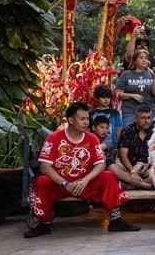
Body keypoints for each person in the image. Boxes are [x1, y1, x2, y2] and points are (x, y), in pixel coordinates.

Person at [24, 102, 140, 238]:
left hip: (83, 183)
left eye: (87, 119)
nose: (86, 122)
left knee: (108, 176)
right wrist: (64, 183)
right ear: (71, 120)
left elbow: (100, 164)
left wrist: (85, 180)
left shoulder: (92, 138)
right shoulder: (54, 138)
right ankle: (44, 224)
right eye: (82, 119)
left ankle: (116, 221)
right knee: (40, 182)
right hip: (59, 183)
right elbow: (44, 167)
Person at [108, 105, 155, 190]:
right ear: (136, 118)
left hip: (146, 168)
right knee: (112, 168)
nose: (147, 121)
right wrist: (132, 172)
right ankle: (144, 185)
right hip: (128, 167)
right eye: (143, 118)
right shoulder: (127, 131)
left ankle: (129, 186)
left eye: (149, 118)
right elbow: (123, 156)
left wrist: (148, 165)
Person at [115, 49, 155, 127]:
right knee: (129, 131)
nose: (144, 60)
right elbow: (117, 93)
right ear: (135, 61)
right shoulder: (126, 74)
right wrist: (132, 95)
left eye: (146, 58)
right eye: (141, 58)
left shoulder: (151, 74)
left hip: (148, 111)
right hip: (130, 110)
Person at [89, 85, 123, 153]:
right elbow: (89, 130)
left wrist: (119, 146)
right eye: (103, 97)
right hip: (95, 146)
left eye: (108, 97)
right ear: (98, 98)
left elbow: (118, 129)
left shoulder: (114, 112)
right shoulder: (92, 113)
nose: (106, 100)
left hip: (112, 147)